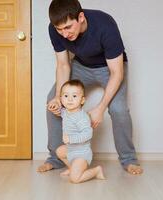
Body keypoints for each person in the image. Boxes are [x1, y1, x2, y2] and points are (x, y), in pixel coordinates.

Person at [37, 0, 143, 175]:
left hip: (110, 68)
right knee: (53, 102)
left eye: (69, 27)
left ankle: (128, 159)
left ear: (81, 17)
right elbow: (63, 65)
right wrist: (58, 96)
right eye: (59, 29)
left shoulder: (105, 24)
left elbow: (117, 73)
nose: (64, 34)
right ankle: (56, 158)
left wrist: (100, 108)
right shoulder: (55, 29)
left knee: (118, 109)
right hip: (81, 66)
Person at [54, 79, 105, 183]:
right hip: (71, 149)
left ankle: (96, 171)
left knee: (75, 179)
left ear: (82, 100)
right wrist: (55, 107)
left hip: (81, 153)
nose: (70, 100)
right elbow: (62, 113)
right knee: (59, 151)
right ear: (61, 99)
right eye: (66, 96)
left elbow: (88, 134)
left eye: (74, 96)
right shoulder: (67, 112)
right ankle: (72, 168)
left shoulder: (82, 117)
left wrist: (70, 138)